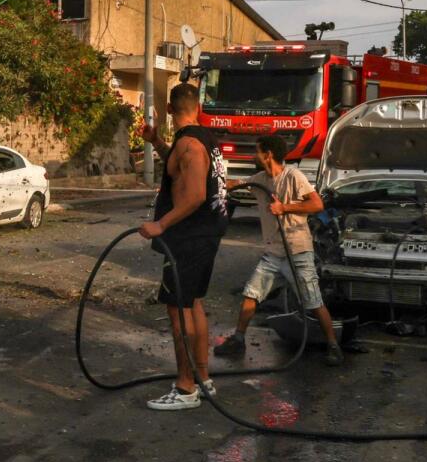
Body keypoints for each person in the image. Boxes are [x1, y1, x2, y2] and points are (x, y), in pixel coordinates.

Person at [138, 82, 229, 411]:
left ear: (169, 111)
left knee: (178, 309)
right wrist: (156, 142)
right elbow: (178, 170)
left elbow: (194, 196)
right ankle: (203, 379)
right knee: (193, 304)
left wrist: (160, 224)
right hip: (204, 235)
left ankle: (186, 388)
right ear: (198, 109)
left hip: (187, 238)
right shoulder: (200, 139)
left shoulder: (189, 144)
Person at [214, 136, 344, 365]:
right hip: (273, 253)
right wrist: (213, 180)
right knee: (251, 294)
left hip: (297, 252)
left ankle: (333, 345)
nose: (254, 155)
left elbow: (317, 204)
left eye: (257, 151)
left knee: (313, 302)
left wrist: (284, 207)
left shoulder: (293, 176)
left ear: (268, 154)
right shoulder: (261, 179)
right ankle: (238, 339)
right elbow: (236, 184)